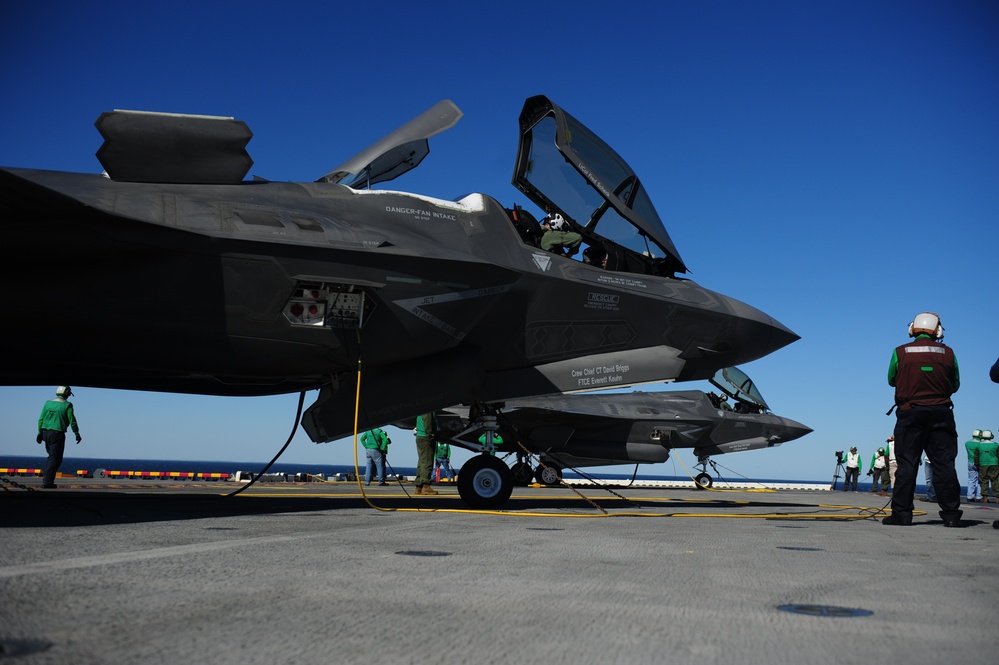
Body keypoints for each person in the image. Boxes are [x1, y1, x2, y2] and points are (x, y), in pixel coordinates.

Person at [883, 312, 962, 527]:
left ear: (912, 329)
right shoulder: (948, 353)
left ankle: (901, 515)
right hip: (941, 413)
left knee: (907, 464)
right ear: (938, 331)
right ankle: (952, 515)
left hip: (910, 413)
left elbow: (891, 379)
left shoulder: (900, 351)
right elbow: (955, 385)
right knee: (944, 464)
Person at [36, 386, 82, 489]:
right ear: (67, 393)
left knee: (51, 456)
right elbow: (72, 421)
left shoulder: (48, 403)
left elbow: (40, 419)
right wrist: (77, 434)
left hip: (45, 433)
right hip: (57, 434)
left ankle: (47, 479)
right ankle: (47, 482)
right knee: (55, 458)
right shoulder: (67, 405)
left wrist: (39, 433)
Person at [413, 413, 439, 495]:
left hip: (420, 436)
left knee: (422, 461)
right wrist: (431, 434)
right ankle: (426, 486)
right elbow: (428, 423)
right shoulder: (428, 411)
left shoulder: (421, 409)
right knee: (427, 461)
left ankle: (419, 486)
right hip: (426, 437)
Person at [976, 430, 998, 503]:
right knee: (995, 480)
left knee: (984, 480)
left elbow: (976, 457)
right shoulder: (996, 445)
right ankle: (998, 497)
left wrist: (977, 465)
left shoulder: (979, 445)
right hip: (994, 464)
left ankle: (985, 497)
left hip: (983, 464)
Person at [965, 429, 983, 502]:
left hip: (970, 462)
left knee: (971, 479)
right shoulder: (981, 444)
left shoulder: (967, 443)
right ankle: (979, 496)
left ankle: (970, 496)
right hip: (979, 462)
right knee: (980, 480)